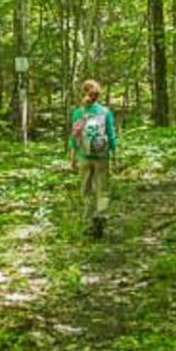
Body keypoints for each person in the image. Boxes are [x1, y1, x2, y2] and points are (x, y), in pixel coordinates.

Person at [68, 79, 119, 239]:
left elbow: (73, 138)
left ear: (83, 92)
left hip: (84, 156)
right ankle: (100, 215)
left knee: (86, 191)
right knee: (102, 189)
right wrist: (114, 156)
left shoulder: (78, 112)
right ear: (98, 95)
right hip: (102, 156)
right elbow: (111, 136)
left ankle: (87, 222)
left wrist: (72, 159)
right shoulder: (105, 112)